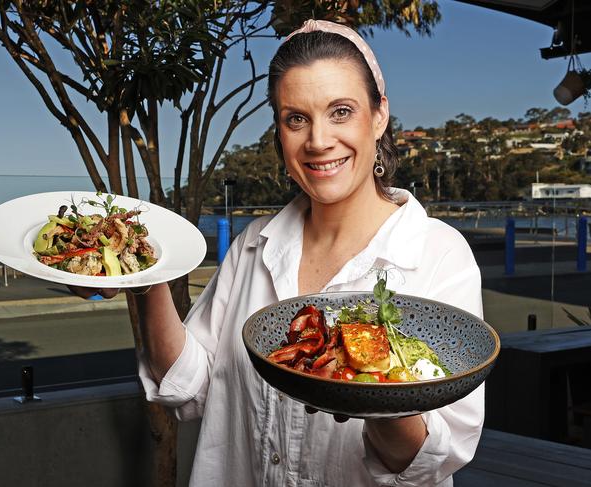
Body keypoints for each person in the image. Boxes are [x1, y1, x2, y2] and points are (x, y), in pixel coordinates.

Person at [74, 19, 484, 487]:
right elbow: (188, 387)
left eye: (341, 111)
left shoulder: (439, 254)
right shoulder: (254, 244)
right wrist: (145, 277)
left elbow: (437, 455)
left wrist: (371, 382)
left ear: (379, 115)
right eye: (296, 118)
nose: (318, 141)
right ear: (280, 134)